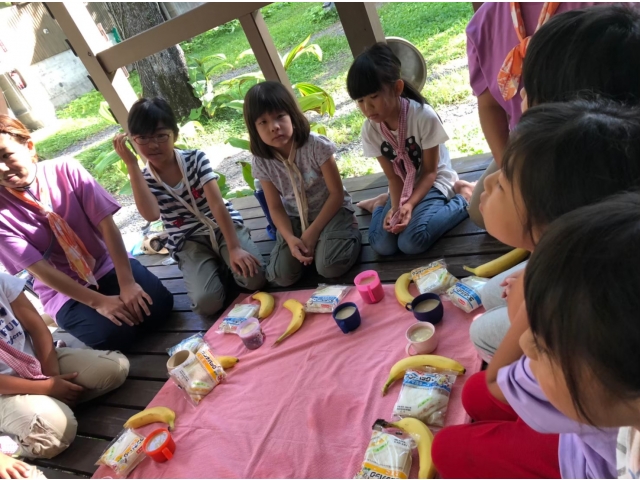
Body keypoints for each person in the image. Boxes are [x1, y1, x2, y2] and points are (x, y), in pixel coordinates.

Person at [430, 98, 640, 478]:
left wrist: (528, 314)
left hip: (580, 454)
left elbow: (501, 378)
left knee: (447, 443)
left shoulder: (584, 321)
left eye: (506, 180)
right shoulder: (602, 271)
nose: (488, 181)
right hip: (581, 415)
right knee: (476, 394)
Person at [470, 4, 640, 361]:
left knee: (482, 328)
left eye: (530, 91)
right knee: (489, 294)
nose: (521, 100)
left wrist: (535, 296)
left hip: (591, 313)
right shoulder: (610, 155)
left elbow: (493, 388)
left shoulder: (594, 202)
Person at [0, 116, 173, 351]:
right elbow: (40, 270)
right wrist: (99, 302)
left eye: (6, 155)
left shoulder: (65, 169)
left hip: (106, 265)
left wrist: (127, 282)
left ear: (29, 146)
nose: (2, 168)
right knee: (114, 336)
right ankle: (69, 316)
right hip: (64, 290)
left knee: (160, 306)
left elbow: (107, 225)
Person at [115, 97, 266, 316]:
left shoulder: (196, 159)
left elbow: (216, 204)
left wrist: (234, 247)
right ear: (133, 140)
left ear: (174, 134)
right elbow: (151, 213)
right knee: (207, 304)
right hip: (188, 240)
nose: (153, 145)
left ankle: (226, 257)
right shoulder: (143, 178)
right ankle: (218, 266)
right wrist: (131, 165)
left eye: (161, 136)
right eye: (143, 138)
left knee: (255, 279)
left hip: (222, 228)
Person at [465, 2, 596, 228]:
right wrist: (511, 174)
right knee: (483, 209)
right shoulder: (485, 20)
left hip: (589, 143)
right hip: (525, 144)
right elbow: (489, 106)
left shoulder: (598, 8)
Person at [346, 43, 473, 256]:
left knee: (411, 242)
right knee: (382, 245)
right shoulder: (370, 130)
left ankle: (464, 196)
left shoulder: (423, 117)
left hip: (433, 181)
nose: (367, 108)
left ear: (397, 88)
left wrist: (410, 205)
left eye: (374, 97)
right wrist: (396, 208)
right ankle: (380, 204)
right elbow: (394, 178)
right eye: (360, 100)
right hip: (402, 184)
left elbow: (430, 172)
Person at [243, 81, 361, 286]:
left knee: (328, 267)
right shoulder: (261, 161)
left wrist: (313, 232)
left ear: (292, 116)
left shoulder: (316, 146)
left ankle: (348, 233)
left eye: (280, 116)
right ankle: (318, 245)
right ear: (254, 129)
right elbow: (275, 207)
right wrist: (290, 238)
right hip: (295, 217)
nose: (274, 127)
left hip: (331, 210)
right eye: (263, 122)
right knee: (280, 276)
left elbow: (336, 194)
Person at [0, 272, 129, 459]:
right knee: (54, 436)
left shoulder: (2, 282)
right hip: (5, 392)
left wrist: (51, 376)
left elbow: (37, 327)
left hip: (34, 362)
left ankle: (54, 407)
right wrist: (47, 387)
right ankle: (15, 446)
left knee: (114, 369)